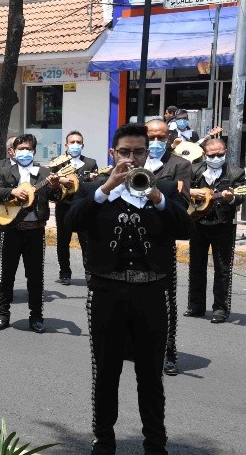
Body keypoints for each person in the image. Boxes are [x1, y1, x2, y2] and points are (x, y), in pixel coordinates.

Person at [65, 123, 193, 455]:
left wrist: (157, 196)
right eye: (125, 152)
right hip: (107, 293)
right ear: (113, 154)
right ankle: (104, 442)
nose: (132, 158)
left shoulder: (164, 187)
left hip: (152, 293)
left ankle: (155, 445)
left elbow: (185, 229)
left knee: (150, 377)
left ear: (148, 152)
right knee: (105, 374)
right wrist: (106, 186)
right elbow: (71, 222)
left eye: (139, 151)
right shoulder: (92, 189)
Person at [0, 134, 61, 334]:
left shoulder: (44, 172)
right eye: (21, 148)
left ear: (34, 151)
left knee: (35, 276)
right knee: (7, 275)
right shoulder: (5, 172)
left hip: (35, 231)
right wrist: (12, 192)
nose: (24, 152)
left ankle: (36, 316)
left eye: (28, 149)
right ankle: (2, 314)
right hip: (11, 230)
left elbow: (57, 197)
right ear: (14, 150)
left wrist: (55, 187)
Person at [145, 119, 191, 376]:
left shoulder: (180, 165)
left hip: (161, 239)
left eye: (160, 137)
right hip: (134, 238)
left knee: (164, 301)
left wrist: (157, 198)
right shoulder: (135, 161)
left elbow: (182, 205)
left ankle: (168, 352)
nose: (155, 142)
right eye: (151, 137)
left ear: (168, 137)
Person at [185, 138, 245, 324]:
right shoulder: (195, 170)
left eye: (220, 154)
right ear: (205, 154)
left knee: (223, 268)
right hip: (198, 223)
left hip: (224, 224)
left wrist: (230, 199)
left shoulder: (236, 173)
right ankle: (195, 305)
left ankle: (220, 309)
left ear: (225, 151)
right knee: (196, 266)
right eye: (212, 155)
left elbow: (240, 196)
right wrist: (194, 195)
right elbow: (184, 191)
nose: (217, 157)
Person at [55, 130, 97, 286]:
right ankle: (65, 272)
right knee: (62, 241)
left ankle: (90, 272)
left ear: (83, 145)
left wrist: (89, 179)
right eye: (72, 142)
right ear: (66, 145)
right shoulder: (57, 162)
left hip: (83, 207)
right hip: (64, 206)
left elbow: (94, 185)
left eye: (78, 142)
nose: (75, 145)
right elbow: (52, 186)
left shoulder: (90, 163)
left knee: (86, 241)